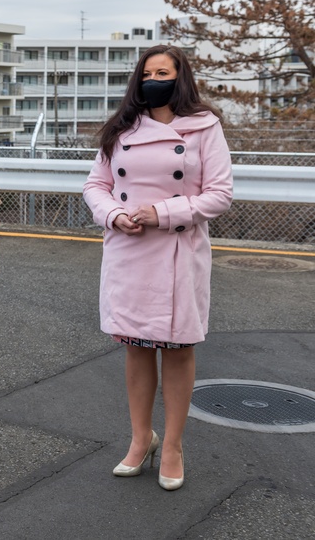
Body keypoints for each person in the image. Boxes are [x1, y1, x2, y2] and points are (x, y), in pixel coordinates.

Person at [83, 44, 233, 492]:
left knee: (179, 347)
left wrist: (162, 212)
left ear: (180, 77)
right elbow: (96, 184)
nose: (154, 79)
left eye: (163, 72)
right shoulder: (123, 127)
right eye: (147, 72)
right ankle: (139, 438)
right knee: (135, 346)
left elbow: (220, 194)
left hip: (177, 250)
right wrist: (114, 214)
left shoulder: (205, 126)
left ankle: (172, 445)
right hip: (128, 248)